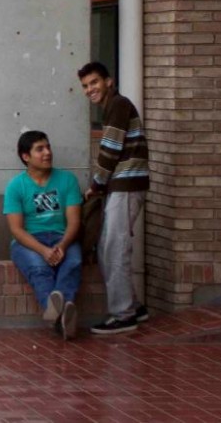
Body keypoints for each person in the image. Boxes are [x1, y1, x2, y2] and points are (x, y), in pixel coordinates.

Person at [78, 61, 151, 335]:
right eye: (85, 86)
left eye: (94, 82)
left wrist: (96, 184)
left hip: (126, 184)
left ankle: (124, 314)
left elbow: (110, 148)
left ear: (109, 81)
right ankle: (133, 306)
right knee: (110, 245)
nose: (90, 89)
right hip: (121, 185)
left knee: (114, 248)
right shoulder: (114, 106)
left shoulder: (118, 105)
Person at [3, 131, 83, 339]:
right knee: (39, 268)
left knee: (73, 262)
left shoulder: (67, 180)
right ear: (25, 156)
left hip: (62, 237)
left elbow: (74, 221)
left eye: (48, 147)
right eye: (40, 149)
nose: (47, 153)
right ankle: (62, 314)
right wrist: (44, 250)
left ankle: (57, 314)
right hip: (29, 241)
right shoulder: (15, 186)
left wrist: (63, 246)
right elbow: (16, 229)